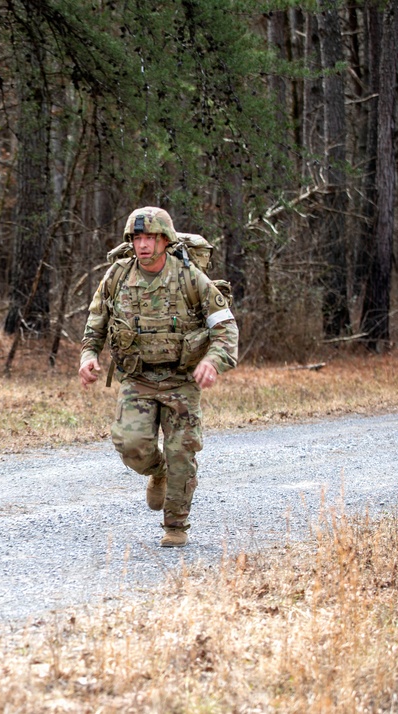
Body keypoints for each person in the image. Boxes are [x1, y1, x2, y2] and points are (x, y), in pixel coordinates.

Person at [78, 206, 238, 547]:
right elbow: (97, 322)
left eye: (150, 237)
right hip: (137, 378)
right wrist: (89, 355)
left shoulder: (190, 277)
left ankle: (176, 526)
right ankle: (157, 472)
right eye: (137, 238)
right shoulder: (118, 276)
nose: (143, 245)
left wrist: (213, 360)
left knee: (182, 451)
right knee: (131, 446)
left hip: (181, 379)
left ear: (165, 240)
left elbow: (225, 327)